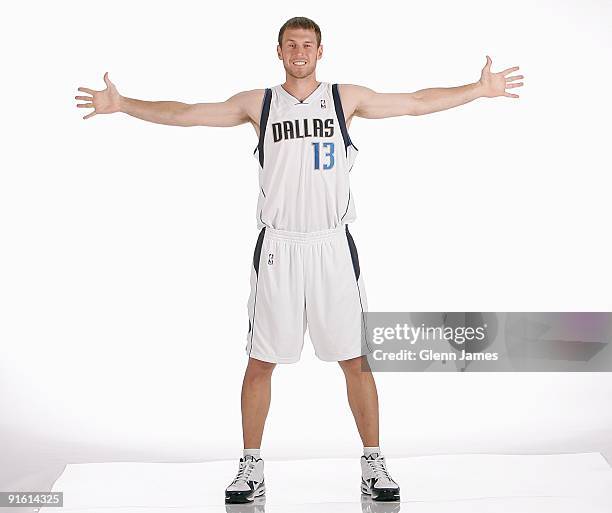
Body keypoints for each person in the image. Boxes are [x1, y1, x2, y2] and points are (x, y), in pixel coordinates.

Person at [75, 16, 524, 504]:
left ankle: (373, 462)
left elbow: (416, 103)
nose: (299, 52)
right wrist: (122, 105)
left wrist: (477, 90)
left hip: (332, 245)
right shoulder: (259, 104)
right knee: (260, 361)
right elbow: (186, 114)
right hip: (279, 248)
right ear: (280, 51)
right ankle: (250, 465)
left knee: (355, 358)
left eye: (307, 44)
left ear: (320, 50)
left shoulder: (343, 98)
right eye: (291, 45)